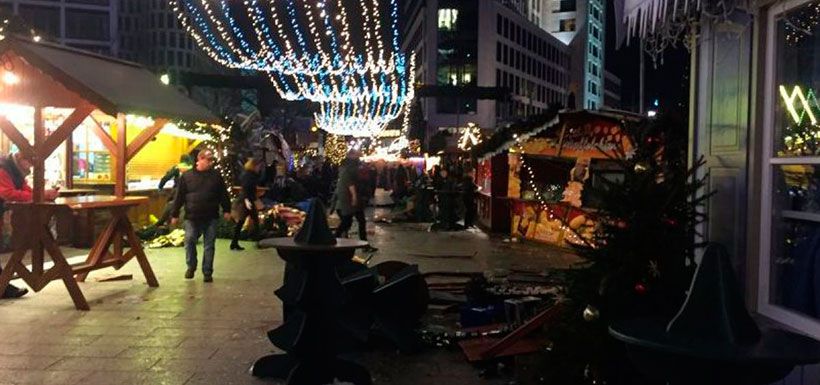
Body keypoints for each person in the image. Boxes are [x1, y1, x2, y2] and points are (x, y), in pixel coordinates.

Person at [0, 152, 59, 299]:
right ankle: (4, 287)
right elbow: (8, 194)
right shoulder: (3, 168)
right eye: (30, 162)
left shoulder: (14, 169)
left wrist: (43, 194)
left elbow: (26, 191)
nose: (32, 167)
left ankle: (4, 286)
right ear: (21, 157)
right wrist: (40, 196)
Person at [170, 149, 232, 283]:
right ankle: (191, 266)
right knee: (190, 240)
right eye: (208, 160)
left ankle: (207, 272)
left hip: (211, 216)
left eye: (211, 160)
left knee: (209, 245)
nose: (211, 163)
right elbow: (179, 196)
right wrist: (174, 214)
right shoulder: (187, 176)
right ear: (200, 159)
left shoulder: (216, 176)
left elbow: (223, 194)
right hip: (192, 216)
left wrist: (227, 209)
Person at [333, 150, 377, 252]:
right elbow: (350, 184)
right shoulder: (349, 169)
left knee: (352, 221)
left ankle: (363, 244)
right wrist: (354, 197)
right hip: (350, 200)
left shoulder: (345, 168)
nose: (358, 157)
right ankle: (335, 240)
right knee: (349, 221)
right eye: (356, 155)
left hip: (348, 199)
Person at [231, 158, 262, 251]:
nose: (259, 168)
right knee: (252, 221)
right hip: (247, 201)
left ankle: (234, 243)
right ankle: (258, 241)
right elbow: (247, 188)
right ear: (254, 166)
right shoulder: (250, 176)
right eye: (258, 166)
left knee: (243, 222)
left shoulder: (248, 174)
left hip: (247, 200)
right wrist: (247, 200)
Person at [156, 154, 193, 226]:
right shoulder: (192, 168)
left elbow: (166, 177)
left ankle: (166, 223)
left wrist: (160, 187)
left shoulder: (177, 167)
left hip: (177, 190)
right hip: (189, 193)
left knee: (170, 205)